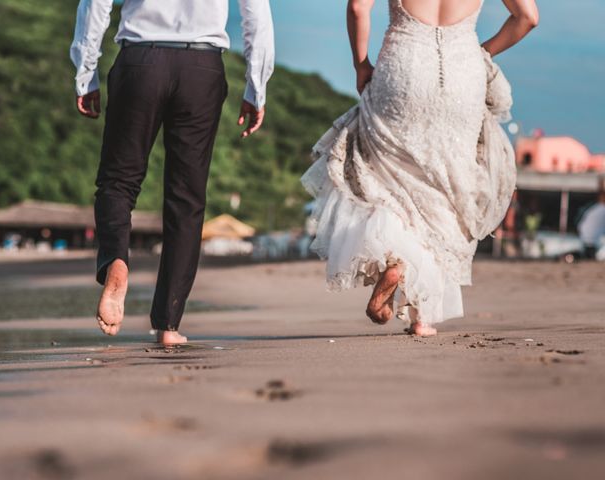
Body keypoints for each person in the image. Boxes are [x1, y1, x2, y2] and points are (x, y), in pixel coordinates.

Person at [302, 0, 538, 336]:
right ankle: (422, 316)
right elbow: (527, 17)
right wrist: (479, 51)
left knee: (386, 179)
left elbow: (357, 8)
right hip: (462, 74)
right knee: (446, 185)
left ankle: (396, 257)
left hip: (403, 67)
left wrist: (360, 65)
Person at [70, 0, 274, 345]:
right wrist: (256, 86)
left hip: (140, 60)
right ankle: (168, 324)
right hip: (201, 66)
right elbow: (256, 15)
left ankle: (116, 262)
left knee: (118, 182)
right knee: (187, 198)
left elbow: (96, 4)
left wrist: (85, 72)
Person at [578, 191, 605, 259]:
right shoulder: (601, 209)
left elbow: (580, 222)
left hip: (585, 236)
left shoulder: (591, 208)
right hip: (595, 239)